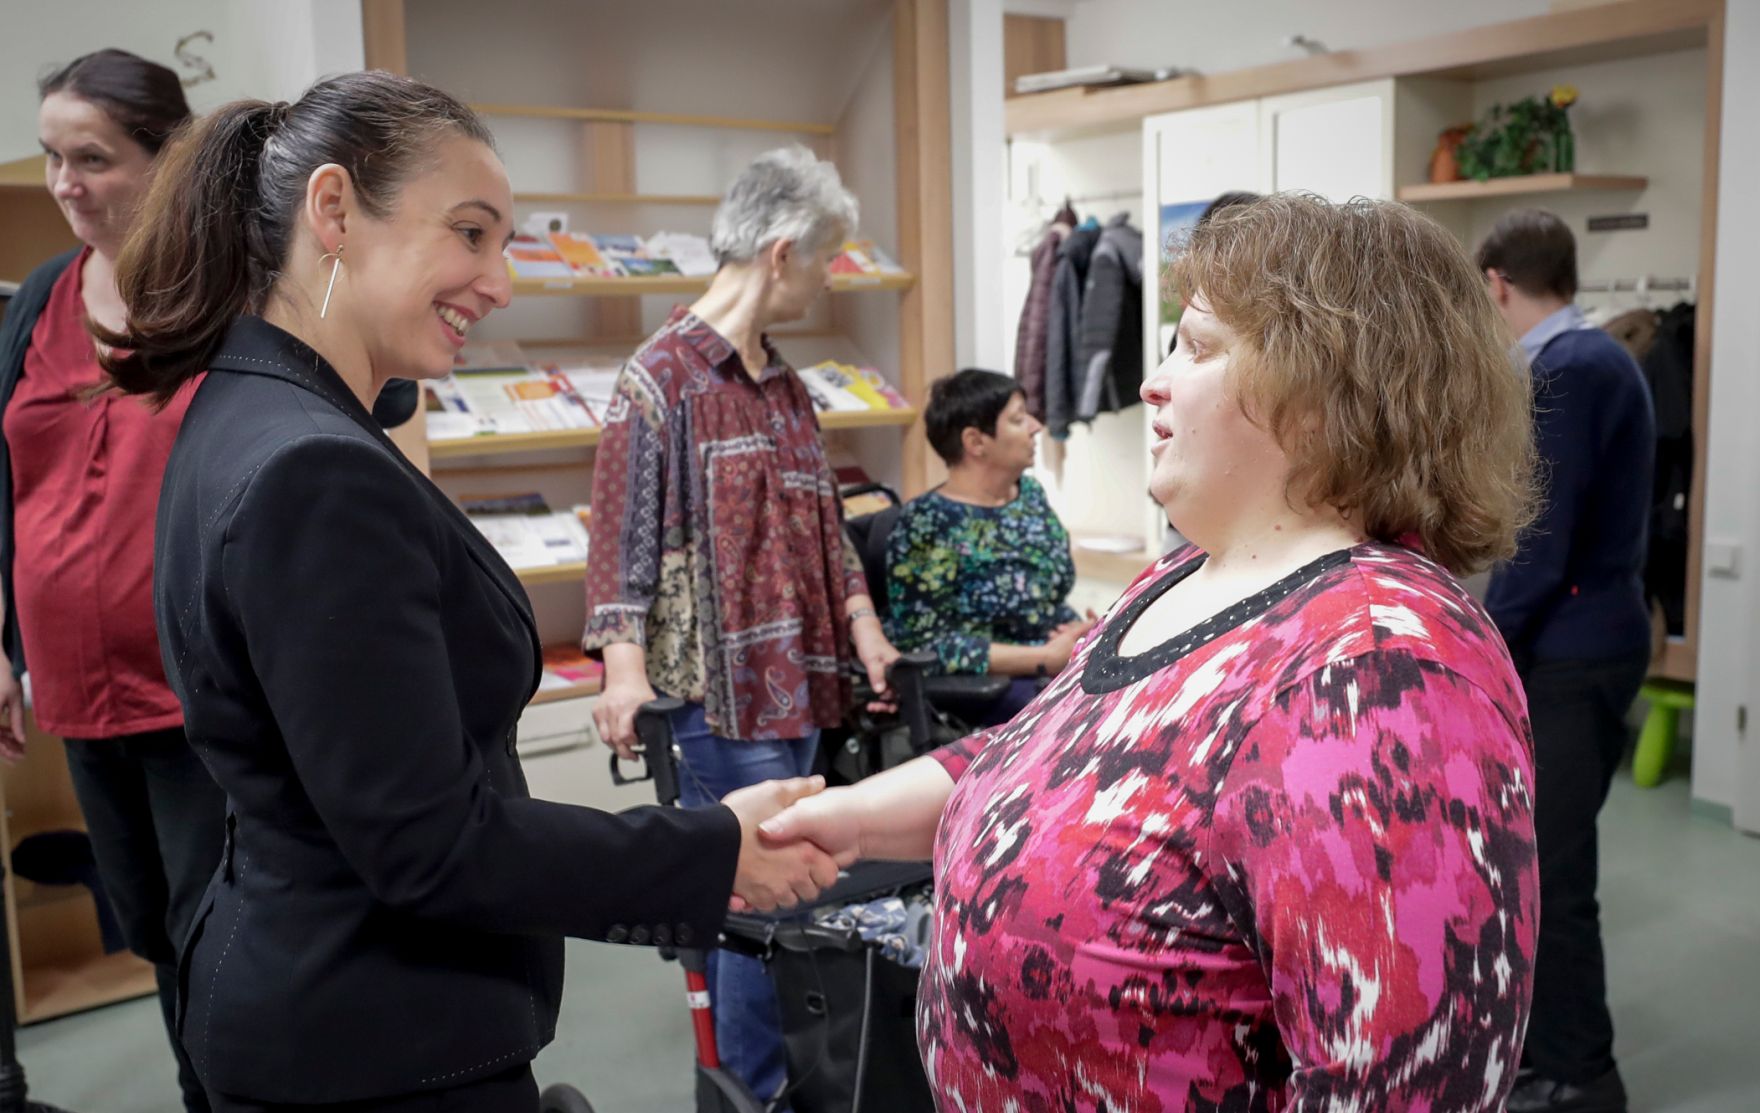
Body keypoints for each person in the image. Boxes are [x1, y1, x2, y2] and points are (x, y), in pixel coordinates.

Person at [102, 71, 838, 1112]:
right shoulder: (316, 473)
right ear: (333, 211)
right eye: (469, 233)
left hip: (328, 998)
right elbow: (427, 840)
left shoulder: (248, 408)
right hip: (368, 1035)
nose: (499, 281)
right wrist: (712, 851)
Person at [764, 193, 1543, 1110]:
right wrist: (851, 819)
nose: (1152, 384)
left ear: (1325, 389)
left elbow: (1409, 1086)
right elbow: (1050, 757)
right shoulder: (1181, 580)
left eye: (1199, 347)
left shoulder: (1379, 672)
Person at [582, 144, 900, 1108]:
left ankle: (771, 1081)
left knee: (787, 892)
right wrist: (621, 671)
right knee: (760, 899)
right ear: (781, 249)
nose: (826, 276)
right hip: (714, 700)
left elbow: (826, 528)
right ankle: (755, 1089)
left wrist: (866, 628)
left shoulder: (787, 386)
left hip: (802, 685)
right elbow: (619, 544)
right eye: (826, 257)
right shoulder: (659, 379)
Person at [0, 49, 212, 1113]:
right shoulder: (39, 298)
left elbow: (374, 392)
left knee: (219, 927)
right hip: (77, 694)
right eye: (51, 157)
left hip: (202, 691)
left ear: (166, 157)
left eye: (94, 157)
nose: (66, 183)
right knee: (149, 930)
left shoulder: (225, 288)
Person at [1478, 209, 1655, 1113]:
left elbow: (1539, 540)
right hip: (1595, 633)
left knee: (1553, 869)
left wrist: (1476, 640)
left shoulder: (1569, 370)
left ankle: (1582, 1074)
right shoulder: (1592, 357)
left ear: (1498, 283)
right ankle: (1553, 1052)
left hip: (1573, 650)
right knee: (1545, 861)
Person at [885, 368, 1094, 724]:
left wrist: (1082, 632)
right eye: (1017, 419)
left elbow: (1049, 599)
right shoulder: (926, 523)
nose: (1035, 427)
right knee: (1085, 720)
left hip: (1055, 664)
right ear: (975, 442)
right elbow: (923, 645)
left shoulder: (1028, 495)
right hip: (990, 687)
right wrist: (1043, 657)